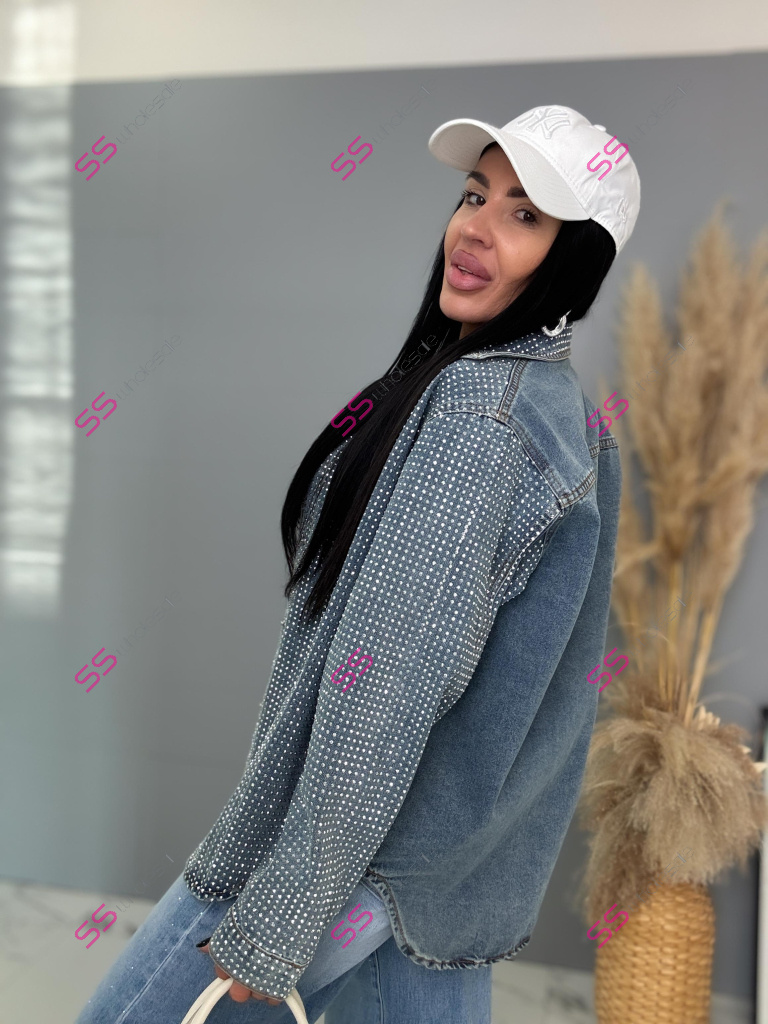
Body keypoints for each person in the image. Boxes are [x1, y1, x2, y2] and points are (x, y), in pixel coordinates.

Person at [76, 103, 640, 1024]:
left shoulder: (482, 420)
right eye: (475, 196)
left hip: (342, 864)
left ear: (575, 258)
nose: (475, 229)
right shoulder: (560, 410)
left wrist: (281, 915)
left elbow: (386, 687)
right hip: (440, 879)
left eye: (525, 215)